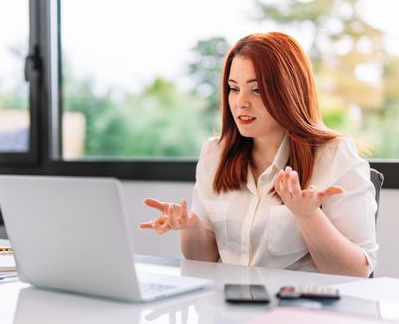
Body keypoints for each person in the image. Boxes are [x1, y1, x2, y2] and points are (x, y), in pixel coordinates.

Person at [139, 32, 378, 277]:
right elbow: (203, 260)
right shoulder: (215, 153)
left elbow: (356, 271)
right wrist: (189, 226)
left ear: (289, 92)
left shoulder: (335, 155)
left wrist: (308, 215)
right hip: (226, 309)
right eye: (233, 89)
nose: (240, 102)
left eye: (256, 90)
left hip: (296, 310)